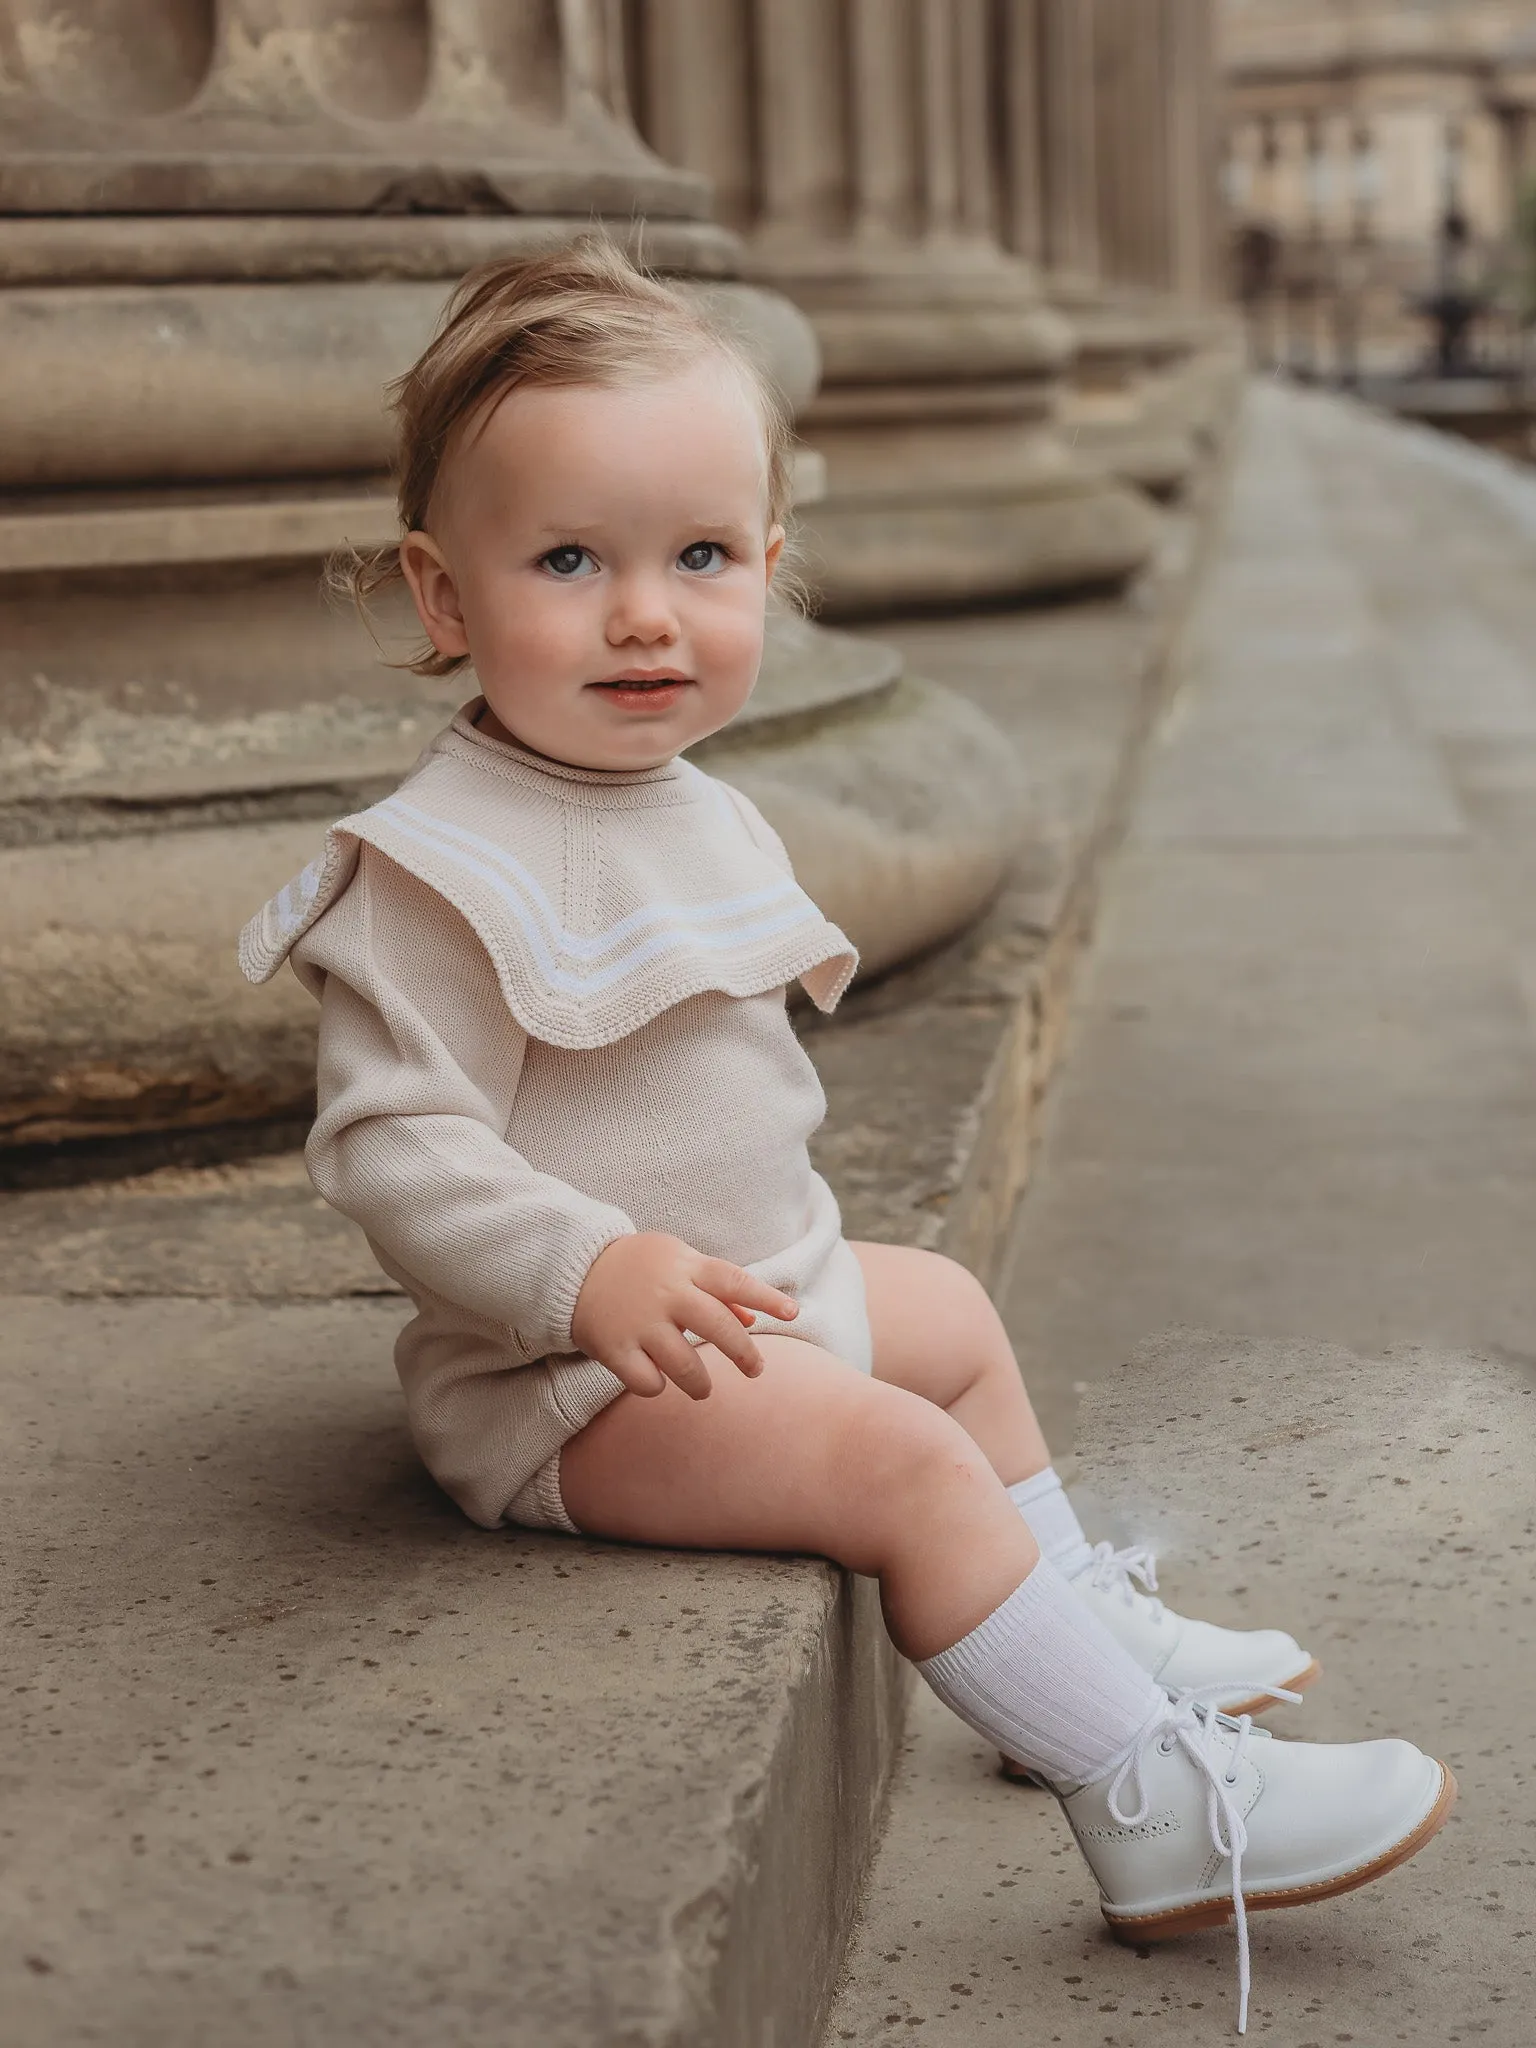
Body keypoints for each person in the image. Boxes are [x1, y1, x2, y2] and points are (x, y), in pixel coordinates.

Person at [239, 238, 1452, 2034]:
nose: (645, 613)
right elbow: (395, 1144)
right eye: (569, 561)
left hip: (753, 1301)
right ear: (442, 592)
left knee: (950, 1314)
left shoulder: (679, 795)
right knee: (900, 1467)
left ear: (772, 573)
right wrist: (585, 1273)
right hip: (578, 1388)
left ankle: (1073, 1640)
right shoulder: (439, 864)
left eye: (700, 558)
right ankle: (1162, 1813)